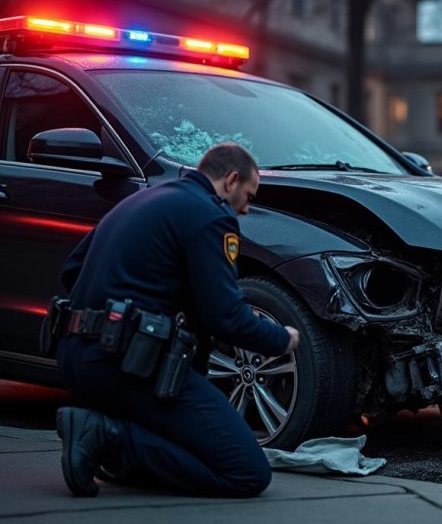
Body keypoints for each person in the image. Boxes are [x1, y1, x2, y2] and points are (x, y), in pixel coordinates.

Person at [54, 143, 301, 496]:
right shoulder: (211, 216)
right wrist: (282, 338)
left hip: (76, 357)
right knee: (246, 472)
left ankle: (107, 441)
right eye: (248, 195)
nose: (247, 209)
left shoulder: (141, 201)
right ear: (231, 181)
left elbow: (71, 271)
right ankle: (108, 438)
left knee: (192, 439)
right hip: (129, 366)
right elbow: (226, 317)